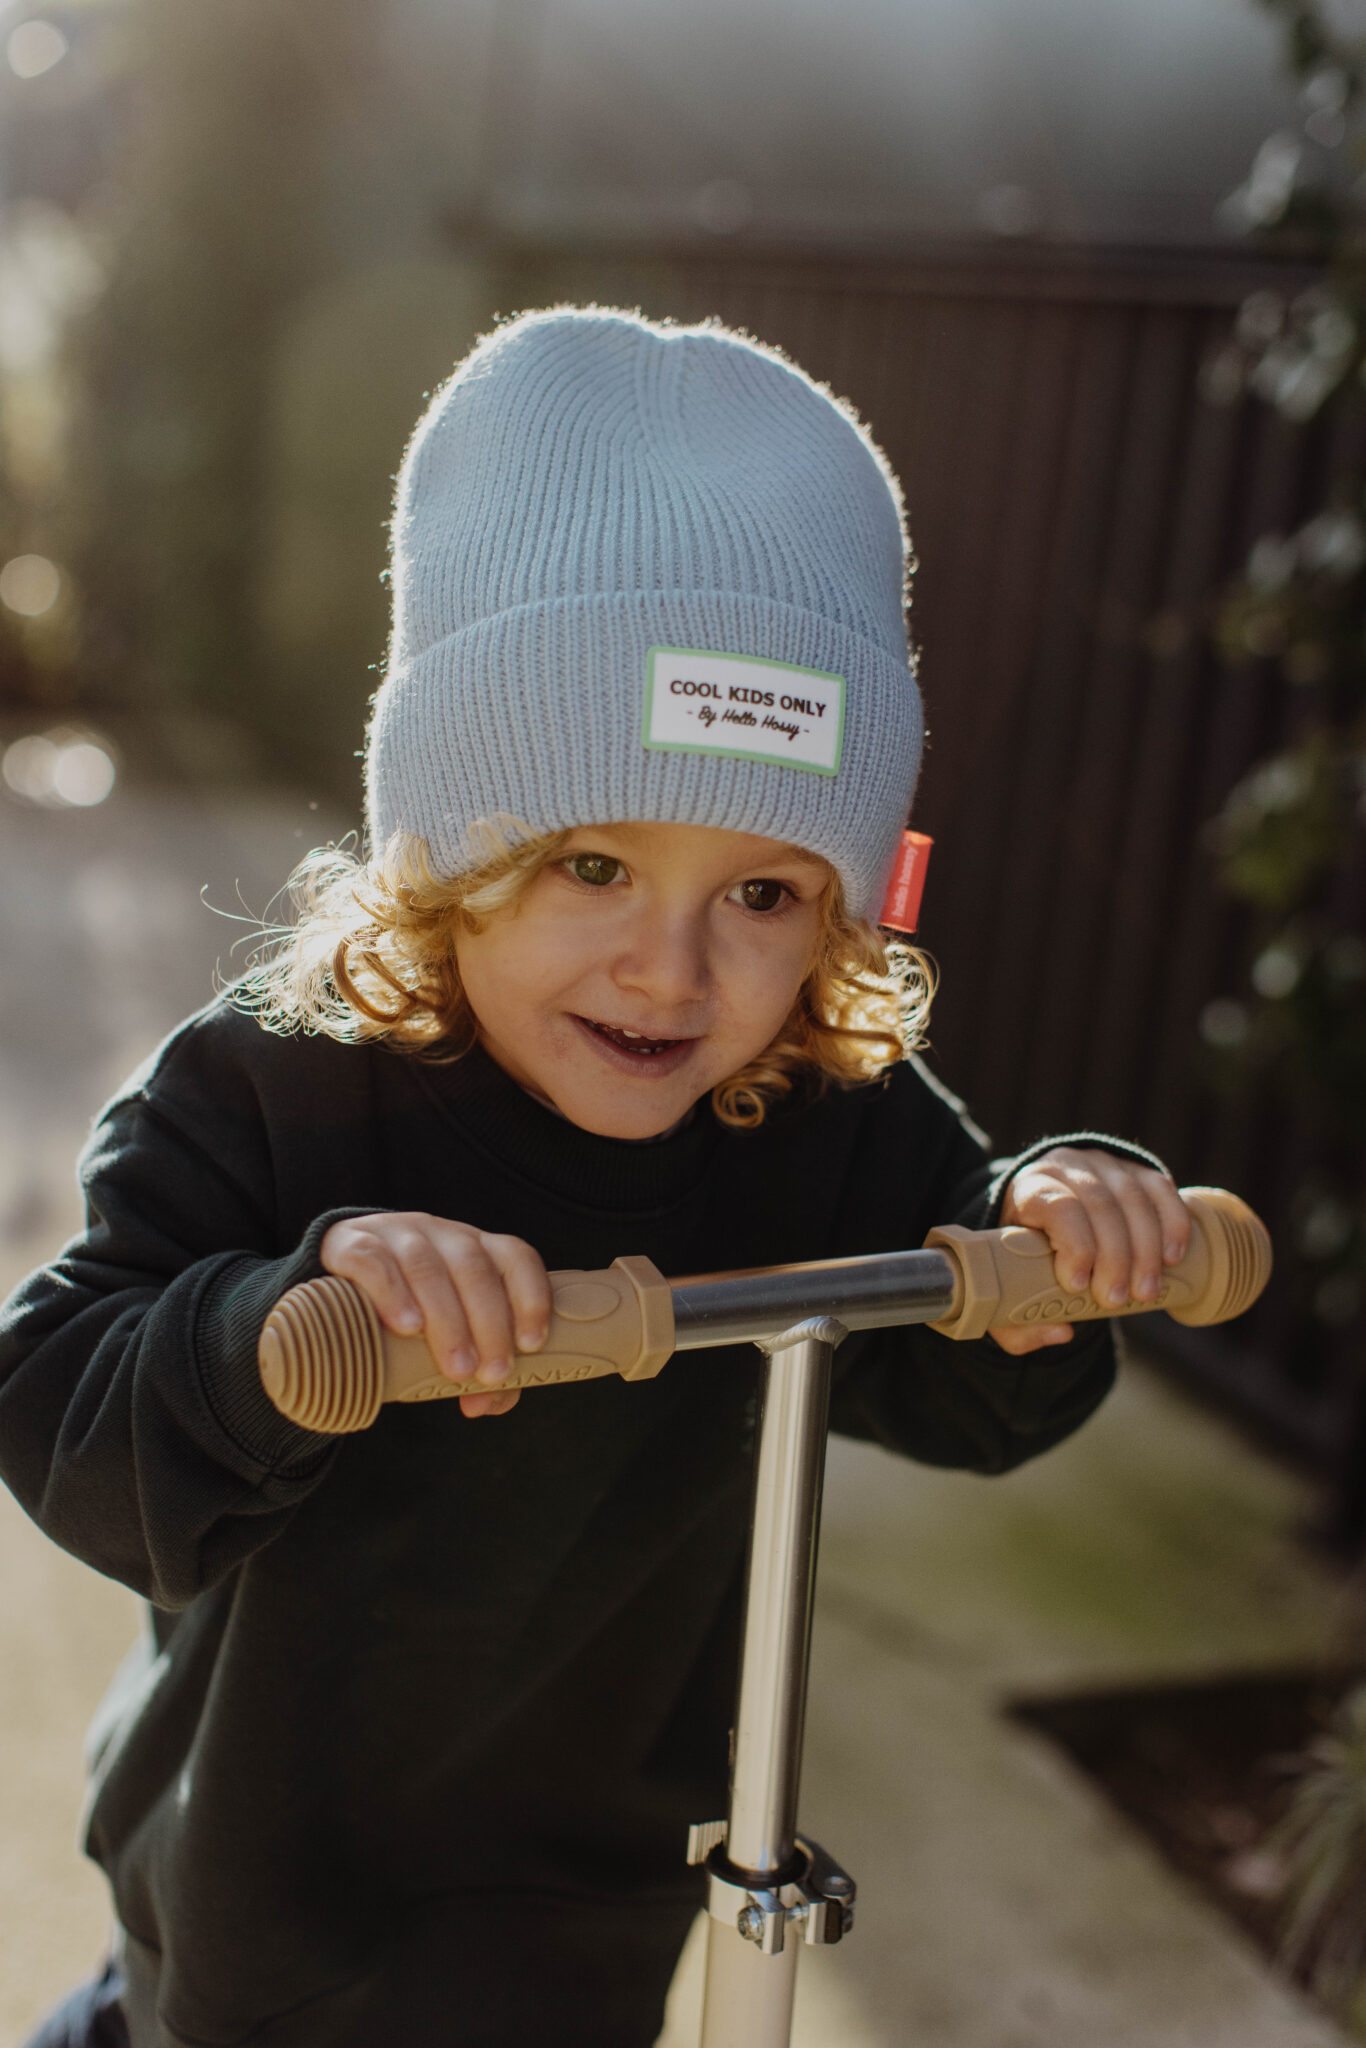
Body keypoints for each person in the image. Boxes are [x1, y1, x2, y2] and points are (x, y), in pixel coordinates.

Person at [0, 308, 1191, 2048]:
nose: (669, 972)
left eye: (765, 896)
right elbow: (63, 1416)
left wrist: (1053, 1239)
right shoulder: (279, 1090)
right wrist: (280, 1331)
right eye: (590, 863)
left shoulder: (816, 1118)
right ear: (445, 847)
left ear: (848, 909)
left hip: (591, 1904)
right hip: (264, 1891)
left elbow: (971, 1394)